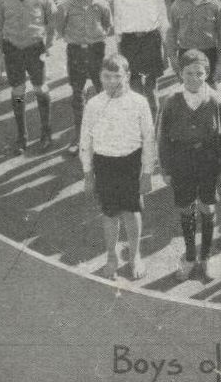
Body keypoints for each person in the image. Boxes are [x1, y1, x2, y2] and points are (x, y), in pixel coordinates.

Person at [80, 54, 156, 281]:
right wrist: (87, 173)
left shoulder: (139, 102)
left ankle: (134, 256)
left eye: (117, 76)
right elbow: (86, 140)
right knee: (110, 214)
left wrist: (147, 173)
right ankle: (111, 257)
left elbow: (149, 140)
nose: (112, 81)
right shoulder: (94, 104)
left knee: (131, 212)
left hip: (130, 163)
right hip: (104, 164)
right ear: (100, 77)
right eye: (106, 76)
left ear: (128, 76)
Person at [158, 49, 221, 281]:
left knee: (208, 206)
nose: (194, 78)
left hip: (207, 159)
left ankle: (206, 257)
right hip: (181, 160)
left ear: (207, 73)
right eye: (189, 73)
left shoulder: (215, 99)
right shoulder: (171, 100)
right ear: (180, 73)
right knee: (186, 207)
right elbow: (162, 138)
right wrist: (166, 169)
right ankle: (190, 255)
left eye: (199, 73)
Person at [0, 0, 55, 155]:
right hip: (12, 49)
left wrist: (49, 42)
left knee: (40, 88)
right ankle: (22, 135)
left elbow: (53, 17)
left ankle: (46, 132)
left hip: (34, 49)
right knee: (18, 92)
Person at [55, 0, 112, 155]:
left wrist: (96, 36)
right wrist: (75, 39)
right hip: (76, 51)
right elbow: (60, 29)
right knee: (77, 94)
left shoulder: (102, 5)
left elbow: (107, 25)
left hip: (97, 50)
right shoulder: (65, 6)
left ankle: (103, 136)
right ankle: (78, 137)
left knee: (101, 91)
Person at [112, 0, 168, 117]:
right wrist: (119, 49)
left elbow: (163, 21)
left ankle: (155, 123)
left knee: (151, 88)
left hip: (151, 41)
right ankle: (139, 123)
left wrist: (165, 50)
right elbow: (118, 22)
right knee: (135, 87)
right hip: (130, 43)